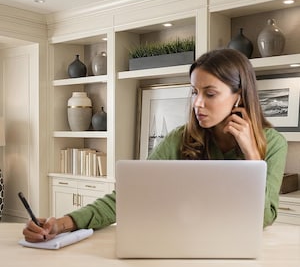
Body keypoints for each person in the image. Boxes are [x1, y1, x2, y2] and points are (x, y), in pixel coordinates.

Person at [23, 48, 287, 243]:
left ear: (238, 96)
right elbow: (129, 195)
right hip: (180, 245)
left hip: (236, 251)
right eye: (195, 91)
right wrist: (64, 223)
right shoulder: (180, 138)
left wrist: (253, 157)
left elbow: (263, 219)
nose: (197, 103)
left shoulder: (272, 143)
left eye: (210, 93)